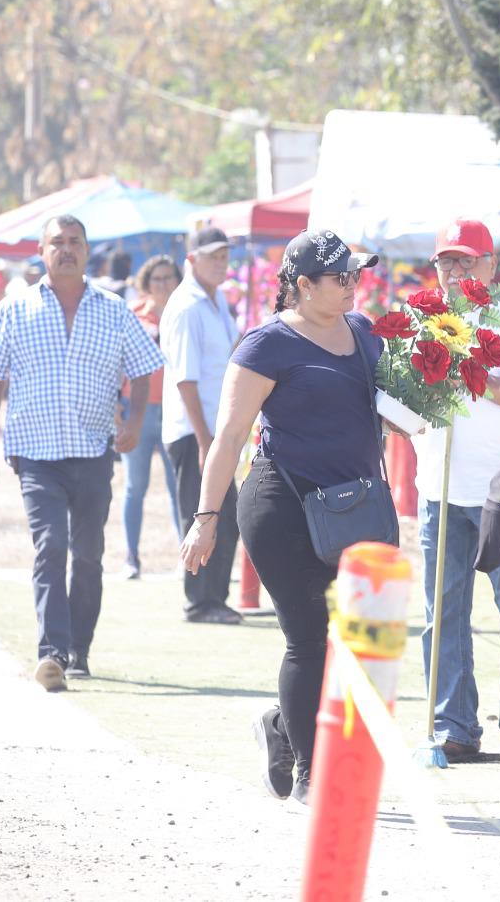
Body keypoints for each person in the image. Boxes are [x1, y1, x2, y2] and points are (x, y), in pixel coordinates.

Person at [177, 229, 383, 805]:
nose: (352, 286)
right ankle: (311, 776)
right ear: (302, 285)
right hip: (281, 507)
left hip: (354, 508)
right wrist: (206, 515)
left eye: (355, 275)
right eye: (340, 277)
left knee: (358, 639)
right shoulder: (266, 345)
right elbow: (230, 436)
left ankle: (280, 728)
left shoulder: (366, 334)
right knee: (310, 637)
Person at [0, 215, 162, 691]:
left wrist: (135, 421)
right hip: (34, 454)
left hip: (94, 450)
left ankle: (80, 648)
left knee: (90, 553)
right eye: (57, 242)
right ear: (41, 250)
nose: (67, 250)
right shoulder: (14, 310)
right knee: (51, 544)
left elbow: (143, 368)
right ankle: (52, 652)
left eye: (75, 242)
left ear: (87, 250)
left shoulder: (114, 310)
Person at [413, 219, 500, 766]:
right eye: (447, 261)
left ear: (492, 266)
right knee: (442, 614)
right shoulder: (421, 316)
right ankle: (454, 726)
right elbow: (404, 397)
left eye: (467, 260)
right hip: (436, 485)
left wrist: (470, 372)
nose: (457, 272)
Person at [160, 229, 243, 623]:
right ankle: (199, 600)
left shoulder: (217, 300)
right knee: (203, 516)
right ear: (191, 259)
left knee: (227, 517)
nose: (220, 263)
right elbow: (185, 379)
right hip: (195, 431)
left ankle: (214, 599)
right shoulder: (187, 307)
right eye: (212, 256)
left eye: (224, 256)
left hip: (217, 432)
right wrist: (203, 438)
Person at [118, 255, 184, 579]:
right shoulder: (133, 314)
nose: (162, 283)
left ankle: (187, 556)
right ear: (146, 281)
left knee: (178, 487)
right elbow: (118, 360)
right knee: (135, 485)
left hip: (175, 408)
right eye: (156, 278)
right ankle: (131, 557)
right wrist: (116, 405)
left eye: (168, 277)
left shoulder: (183, 313)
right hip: (138, 409)